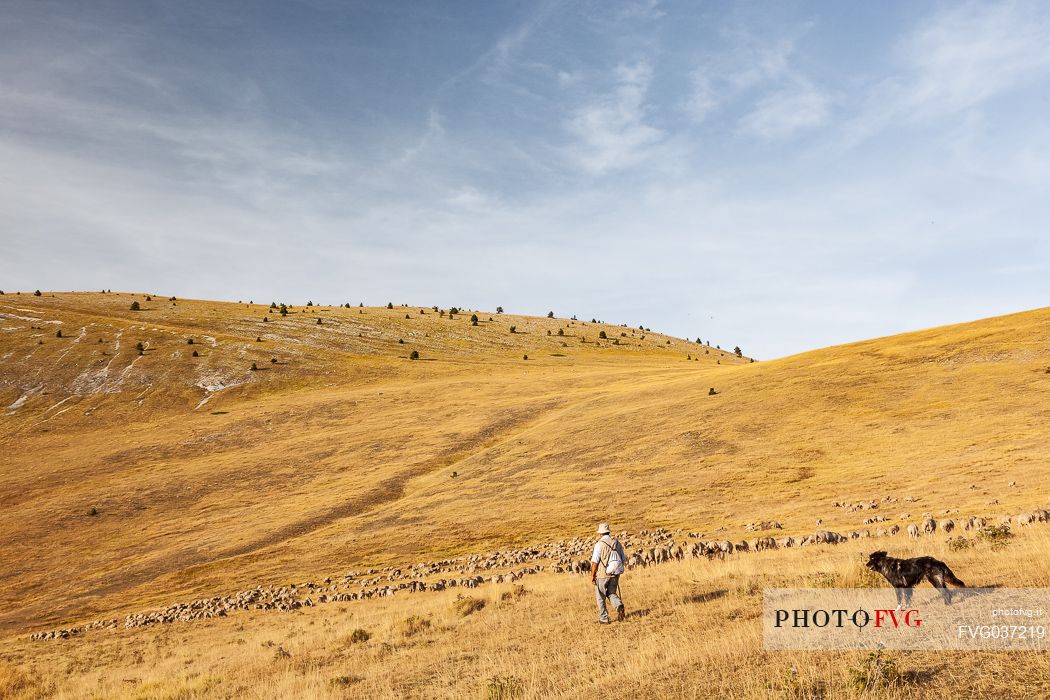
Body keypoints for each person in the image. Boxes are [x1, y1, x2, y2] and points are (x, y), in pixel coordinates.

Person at [590, 522, 626, 624]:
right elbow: (623, 558)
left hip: (602, 574)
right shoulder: (617, 543)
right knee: (611, 593)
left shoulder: (599, 544)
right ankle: (618, 605)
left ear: (600, 534)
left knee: (601, 596)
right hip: (615, 573)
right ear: (608, 532)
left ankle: (604, 618)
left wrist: (593, 575)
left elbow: (595, 562)